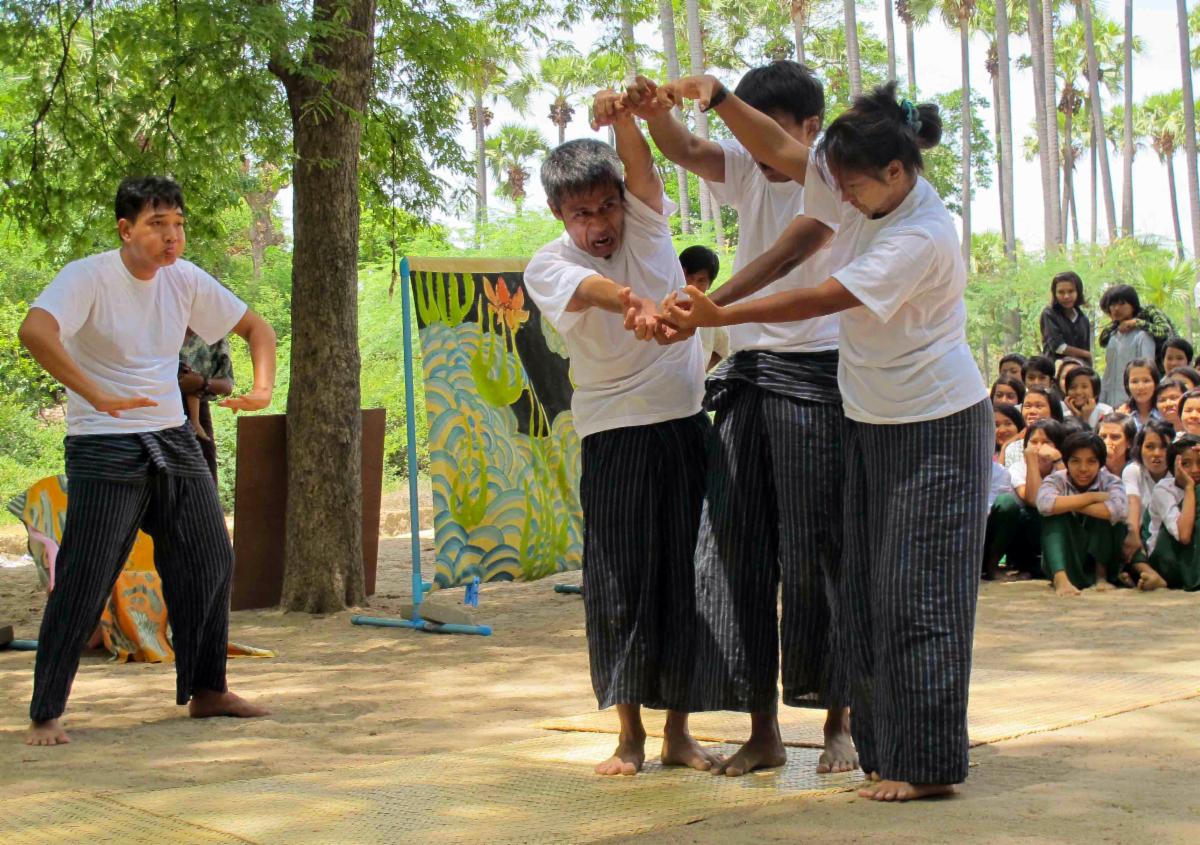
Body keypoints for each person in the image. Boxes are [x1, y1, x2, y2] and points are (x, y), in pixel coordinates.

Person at [651, 77, 990, 802]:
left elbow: (822, 296)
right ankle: (887, 749)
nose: (835, 196)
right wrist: (715, 95)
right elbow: (778, 147)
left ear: (897, 173)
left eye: (850, 186)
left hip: (935, 425)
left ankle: (925, 765)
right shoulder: (865, 186)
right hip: (874, 419)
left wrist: (716, 310)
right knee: (869, 591)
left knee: (917, 591)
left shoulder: (920, 236)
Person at [627, 62, 855, 777]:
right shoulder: (750, 169)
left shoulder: (838, 180)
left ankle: (839, 722)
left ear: (809, 130)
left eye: (767, 129)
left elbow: (796, 251)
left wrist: (714, 304)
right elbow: (687, 150)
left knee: (819, 554)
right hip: (749, 376)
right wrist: (648, 109)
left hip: (819, 374)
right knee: (737, 552)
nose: (751, 144)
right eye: (741, 126)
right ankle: (764, 729)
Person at [17, 176, 276, 746]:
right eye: (157, 225)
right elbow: (34, 330)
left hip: (172, 435)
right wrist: (96, 392)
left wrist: (261, 389)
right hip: (104, 440)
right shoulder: (88, 276)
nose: (171, 237)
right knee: (87, 574)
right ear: (126, 229)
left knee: (210, 559)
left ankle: (208, 691)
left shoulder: (183, 279)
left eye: (178, 224)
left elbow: (257, 327)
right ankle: (46, 712)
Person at [521, 96, 716, 777]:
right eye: (583, 213)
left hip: (685, 422)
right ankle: (629, 737)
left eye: (608, 206)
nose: (601, 223)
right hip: (614, 434)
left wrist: (625, 115)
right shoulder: (546, 265)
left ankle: (680, 734)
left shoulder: (648, 222)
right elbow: (592, 289)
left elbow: (640, 167)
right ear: (559, 216)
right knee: (620, 580)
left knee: (686, 578)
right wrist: (631, 300)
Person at [1037, 431, 1129, 597]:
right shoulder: (1056, 480)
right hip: (1068, 554)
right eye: (1075, 461)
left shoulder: (1110, 481)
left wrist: (1068, 503)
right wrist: (1091, 497)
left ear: (1100, 464)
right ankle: (1061, 579)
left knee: (1103, 514)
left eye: (1091, 461)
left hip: (1101, 555)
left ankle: (1101, 576)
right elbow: (1044, 504)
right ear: (1066, 462)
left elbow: (1118, 510)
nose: (1083, 469)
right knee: (1054, 516)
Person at [984, 419, 1067, 581]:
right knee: (1016, 508)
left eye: (1046, 442)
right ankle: (992, 567)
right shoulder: (1017, 468)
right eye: (1034, 442)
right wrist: (1031, 463)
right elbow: (1034, 500)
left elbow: (1071, 493)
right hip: (1020, 537)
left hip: (1047, 535)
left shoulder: (1062, 466)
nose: (1039, 448)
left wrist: (1058, 461)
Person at [1143, 434, 1200, 591]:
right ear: (1173, 466)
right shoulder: (1164, 489)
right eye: (1186, 464)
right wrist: (1189, 488)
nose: (1195, 470)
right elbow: (1184, 536)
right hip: (1167, 559)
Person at [179, 328, 235, 482]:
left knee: (206, 474)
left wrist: (202, 383)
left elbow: (228, 384)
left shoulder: (212, 330)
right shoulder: (154, 323)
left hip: (196, 407)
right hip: (151, 412)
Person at [1098, 287, 1156, 408]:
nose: (1116, 308)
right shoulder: (1112, 337)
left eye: (1122, 303)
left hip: (1133, 405)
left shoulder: (1142, 336)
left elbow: (1147, 371)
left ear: (1133, 305)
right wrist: (1102, 401)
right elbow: (1108, 374)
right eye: (1112, 305)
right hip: (1110, 405)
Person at [678, 245, 729, 371]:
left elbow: (722, 350)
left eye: (701, 280)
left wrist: (702, 372)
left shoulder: (713, 315)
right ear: (677, 273)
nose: (693, 286)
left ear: (710, 284)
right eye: (688, 278)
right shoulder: (664, 307)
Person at [1097, 290, 1176, 364]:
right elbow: (1103, 341)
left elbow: (1165, 330)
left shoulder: (1149, 311)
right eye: (1110, 309)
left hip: (1169, 363)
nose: (1116, 309)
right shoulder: (1117, 323)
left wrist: (1136, 322)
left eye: (1121, 303)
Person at [1001, 385, 1064, 468]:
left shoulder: (1065, 442)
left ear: (1053, 411)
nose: (1032, 411)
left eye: (1039, 406)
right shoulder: (1013, 448)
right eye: (1027, 406)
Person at [1039, 272, 1092, 364]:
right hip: (1055, 370)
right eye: (1061, 292)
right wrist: (1086, 354)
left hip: (1079, 370)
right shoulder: (1049, 314)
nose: (1066, 296)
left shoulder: (1083, 319)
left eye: (1071, 291)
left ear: (1078, 292)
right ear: (1054, 294)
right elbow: (1057, 347)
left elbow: (1085, 346)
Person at [1116, 359, 1162, 430]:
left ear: (1155, 383)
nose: (1140, 387)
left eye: (1146, 381)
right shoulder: (1121, 414)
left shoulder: (1164, 413)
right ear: (1127, 385)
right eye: (1134, 382)